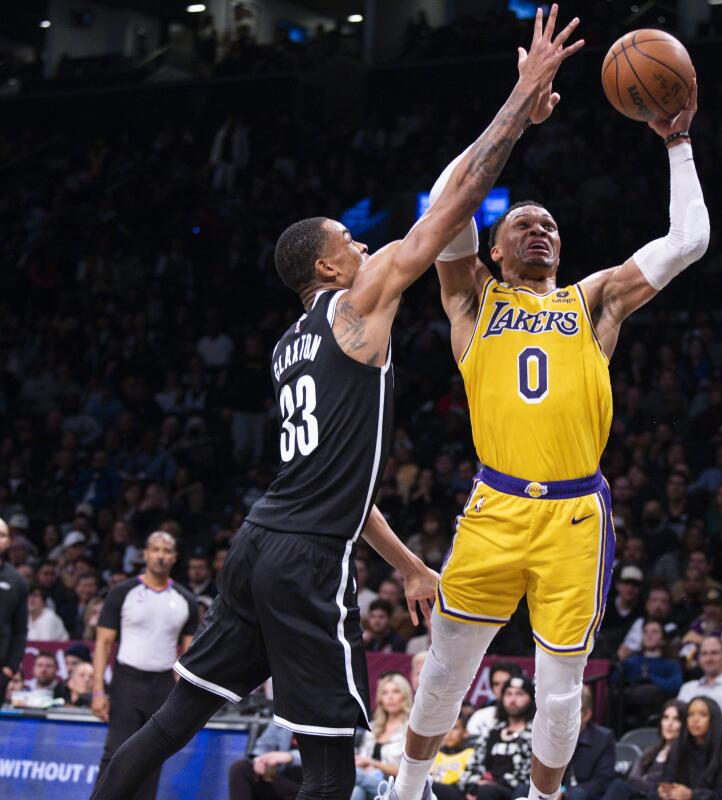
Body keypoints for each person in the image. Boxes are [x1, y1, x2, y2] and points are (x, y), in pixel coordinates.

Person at [88, 12, 580, 799]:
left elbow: (344, 491)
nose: (362, 244)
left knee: (171, 721)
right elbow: (452, 209)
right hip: (307, 561)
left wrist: (414, 566)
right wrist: (519, 105)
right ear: (326, 262)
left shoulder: (292, 344)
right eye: (349, 239)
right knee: (329, 769)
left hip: (259, 543)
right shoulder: (360, 305)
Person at [396, 28, 707, 800]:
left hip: (574, 517)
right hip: (496, 506)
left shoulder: (593, 301)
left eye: (551, 226)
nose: (540, 229)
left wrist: (678, 143)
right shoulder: (472, 301)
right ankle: (404, 790)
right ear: (493, 251)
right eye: (521, 224)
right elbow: (448, 194)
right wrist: (516, 109)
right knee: (445, 668)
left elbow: (690, 240)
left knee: (560, 687)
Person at [89, 530, 199, 800]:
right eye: (156, 550)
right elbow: (103, 644)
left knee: (151, 757)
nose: (161, 555)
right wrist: (98, 691)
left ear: (174, 557)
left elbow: (191, 653)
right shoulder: (122, 593)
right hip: (127, 682)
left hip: (163, 686)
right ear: (146, 554)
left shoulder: (186, 599)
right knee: (115, 753)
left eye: (167, 551)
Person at [461, 674, 536, 800]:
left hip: (516, 792)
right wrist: (473, 785)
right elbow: (473, 766)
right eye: (508, 694)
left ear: (530, 698)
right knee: (436, 788)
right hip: (482, 788)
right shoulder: (491, 732)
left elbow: (528, 776)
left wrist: (490, 784)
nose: (513, 699)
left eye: (520, 694)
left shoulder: (536, 733)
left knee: (487, 791)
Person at [659, 697, 722, 800]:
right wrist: (666, 791)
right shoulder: (679, 746)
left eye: (702, 715)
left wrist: (692, 795)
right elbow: (667, 778)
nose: (695, 720)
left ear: (713, 719)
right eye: (690, 715)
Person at [602, 699, 685, 800]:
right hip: (642, 795)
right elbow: (632, 778)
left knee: (618, 787)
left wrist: (646, 782)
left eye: (676, 719)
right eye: (666, 718)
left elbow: (666, 788)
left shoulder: (685, 754)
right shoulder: (651, 752)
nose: (669, 724)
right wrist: (651, 785)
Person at [352, 673, 415, 800]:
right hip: (369, 783)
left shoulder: (412, 730)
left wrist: (373, 763)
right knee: (357, 791)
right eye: (385, 693)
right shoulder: (372, 727)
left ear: (405, 695)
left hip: (397, 789)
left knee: (353, 774)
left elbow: (409, 774)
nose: (390, 697)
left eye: (396, 692)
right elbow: (363, 759)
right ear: (380, 698)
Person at [615, 619, 683, 727]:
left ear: (663, 639)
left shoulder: (671, 663)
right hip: (628, 710)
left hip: (659, 709)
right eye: (646, 632)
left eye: (654, 632)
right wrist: (620, 661)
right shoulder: (632, 661)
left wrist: (650, 678)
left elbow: (675, 685)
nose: (649, 635)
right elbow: (614, 681)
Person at [558, 685, 616, 800]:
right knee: (523, 790)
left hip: (585, 796)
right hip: (554, 792)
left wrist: (566, 792)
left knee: (577, 795)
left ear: (586, 715)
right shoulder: (550, 735)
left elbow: (602, 782)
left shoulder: (603, 738)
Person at [676, 636, 722, 722]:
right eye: (704, 653)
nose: (709, 659)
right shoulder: (687, 688)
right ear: (699, 659)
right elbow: (679, 720)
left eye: (714, 653)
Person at [228, 722, 303, 800]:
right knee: (240, 768)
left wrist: (291, 756)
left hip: (309, 784)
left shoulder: (315, 721)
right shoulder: (282, 718)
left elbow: (316, 756)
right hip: (281, 779)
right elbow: (261, 747)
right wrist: (259, 760)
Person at [0, 517, 29, 701]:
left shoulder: (17, 581)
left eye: (1, 535)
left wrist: (10, 668)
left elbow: (20, 630)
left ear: (9, 541)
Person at [465, 661, 520, 739]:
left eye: (506, 683)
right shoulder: (480, 717)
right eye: (496, 684)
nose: (501, 688)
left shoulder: (532, 719)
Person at [429, 714, 475, 800]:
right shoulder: (434, 753)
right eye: (446, 729)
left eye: (454, 728)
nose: (449, 734)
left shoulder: (471, 753)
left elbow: (470, 783)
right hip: (434, 790)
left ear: (465, 733)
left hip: (457, 793)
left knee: (427, 787)